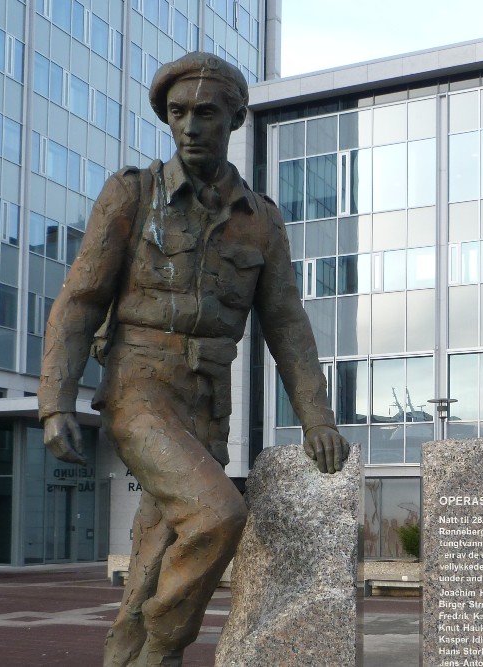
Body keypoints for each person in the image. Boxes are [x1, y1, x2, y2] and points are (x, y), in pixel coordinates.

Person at [38, 52, 350, 667]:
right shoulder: (132, 194)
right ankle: (161, 642)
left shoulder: (260, 221)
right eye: (177, 113)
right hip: (139, 389)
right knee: (216, 515)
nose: (189, 126)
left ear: (234, 117)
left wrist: (317, 418)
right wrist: (56, 402)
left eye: (205, 113)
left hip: (209, 400)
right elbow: (80, 300)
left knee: (159, 547)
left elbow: (287, 325)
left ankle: (134, 652)